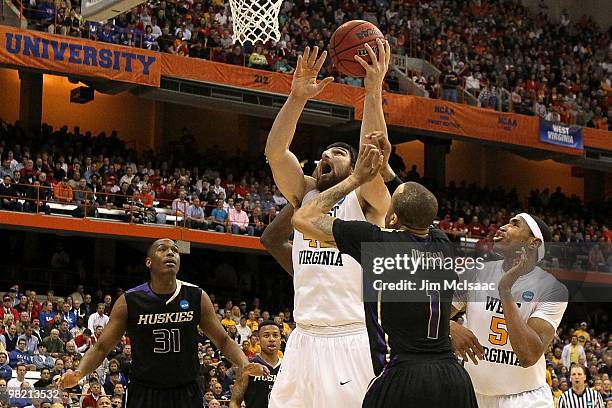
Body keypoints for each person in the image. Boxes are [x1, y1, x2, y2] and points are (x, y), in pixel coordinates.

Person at [292, 141, 477, 407]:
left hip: (404, 374)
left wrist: (355, 179)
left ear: (392, 219)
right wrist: (387, 170)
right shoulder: (443, 244)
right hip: (452, 376)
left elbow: (303, 219)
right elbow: (416, 206)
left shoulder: (377, 243)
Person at [265, 41, 392, 407]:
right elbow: (276, 153)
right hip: (303, 336)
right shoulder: (303, 194)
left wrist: (372, 92)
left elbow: (373, 147)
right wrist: (296, 97)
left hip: (349, 337)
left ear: (354, 168)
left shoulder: (364, 201)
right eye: (323, 152)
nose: (325, 155)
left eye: (337, 152)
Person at [59, 238, 268, 407]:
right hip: (145, 390)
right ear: (149, 262)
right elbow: (102, 346)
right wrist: (79, 373)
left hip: (186, 389)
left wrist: (244, 363)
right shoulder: (130, 300)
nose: (170, 253)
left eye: (175, 250)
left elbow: (222, 340)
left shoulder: (196, 296)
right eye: (162, 249)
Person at [450, 210, 568, 407]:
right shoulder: (476, 274)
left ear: (533, 243)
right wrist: (450, 326)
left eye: (515, 224)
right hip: (473, 394)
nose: (503, 227)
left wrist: (505, 290)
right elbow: (431, 313)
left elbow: (528, 355)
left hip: (525, 398)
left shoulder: (552, 290)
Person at [230, 321, 282, 408]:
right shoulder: (249, 366)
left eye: (275, 335)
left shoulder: (287, 366)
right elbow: (235, 402)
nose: (271, 339)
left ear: (280, 340)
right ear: (258, 340)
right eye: (266, 335)